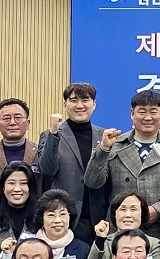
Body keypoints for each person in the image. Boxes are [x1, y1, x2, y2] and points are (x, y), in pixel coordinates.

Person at [85, 89, 160, 232]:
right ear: (132, 113)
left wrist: (158, 210)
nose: (148, 117)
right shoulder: (115, 145)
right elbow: (92, 182)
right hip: (121, 229)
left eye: (153, 112)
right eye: (142, 112)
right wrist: (103, 149)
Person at [35, 83, 106, 236]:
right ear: (65, 104)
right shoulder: (50, 135)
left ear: (94, 104)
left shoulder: (104, 136)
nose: (79, 105)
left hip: (99, 219)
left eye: (85, 100)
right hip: (65, 217)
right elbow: (47, 169)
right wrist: (53, 132)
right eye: (74, 100)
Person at [85, 188, 160, 259]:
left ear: (142, 215)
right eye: (123, 209)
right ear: (114, 214)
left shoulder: (153, 243)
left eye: (133, 209)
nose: (128, 215)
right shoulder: (105, 242)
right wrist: (99, 240)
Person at [0, 97, 38, 191]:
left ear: (27, 123)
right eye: (6, 118)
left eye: (18, 117)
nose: (12, 122)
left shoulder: (40, 152)